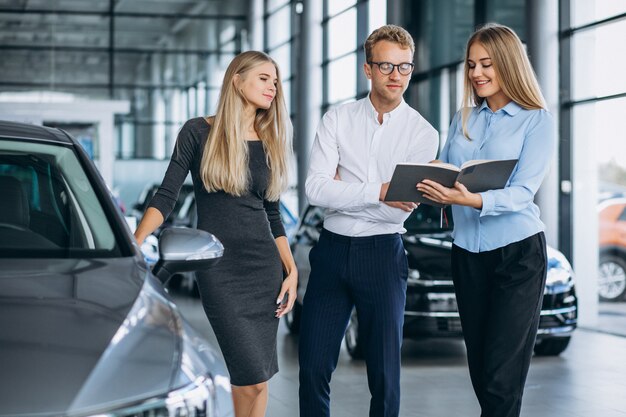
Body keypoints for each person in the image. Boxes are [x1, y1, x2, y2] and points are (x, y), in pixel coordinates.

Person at [133, 50, 297, 417]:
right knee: (249, 376)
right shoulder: (197, 132)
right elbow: (166, 196)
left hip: (264, 268)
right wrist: (135, 241)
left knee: (259, 380)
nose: (272, 86)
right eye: (263, 78)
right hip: (219, 268)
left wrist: (291, 270)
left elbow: (273, 213)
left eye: (275, 81)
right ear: (237, 80)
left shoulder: (268, 140)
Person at [299, 25, 439, 417]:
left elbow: (400, 209)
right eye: (386, 66)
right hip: (331, 253)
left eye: (405, 67)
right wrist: (379, 190)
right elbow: (315, 190)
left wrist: (347, 190)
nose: (396, 76)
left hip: (382, 254)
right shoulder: (337, 119)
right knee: (312, 367)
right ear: (367, 69)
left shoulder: (423, 134)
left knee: (384, 375)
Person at [416, 23, 555, 417]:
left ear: (508, 65)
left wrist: (473, 199)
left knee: (500, 376)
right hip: (467, 254)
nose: (476, 73)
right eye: (472, 65)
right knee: (480, 370)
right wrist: (427, 181)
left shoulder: (536, 120)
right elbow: (447, 171)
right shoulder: (463, 118)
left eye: (487, 65)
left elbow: (523, 192)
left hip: (518, 254)